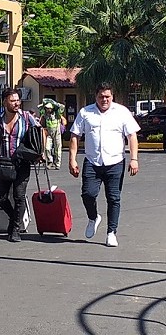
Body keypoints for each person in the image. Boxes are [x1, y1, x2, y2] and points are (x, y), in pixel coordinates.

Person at [68, 82, 140, 247]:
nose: (104, 100)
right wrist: (72, 159)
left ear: (112, 96)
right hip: (92, 162)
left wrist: (134, 159)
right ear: (96, 97)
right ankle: (93, 217)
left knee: (114, 198)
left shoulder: (121, 112)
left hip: (115, 162)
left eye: (107, 96)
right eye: (101, 96)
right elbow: (75, 136)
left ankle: (111, 232)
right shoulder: (86, 112)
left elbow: (132, 136)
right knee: (88, 194)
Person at [0, 88, 41, 242]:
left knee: (19, 197)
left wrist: (39, 152)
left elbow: (40, 132)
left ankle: (16, 230)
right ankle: (14, 219)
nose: (16, 103)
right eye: (13, 100)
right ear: (5, 102)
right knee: (0, 197)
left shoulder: (26, 117)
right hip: (4, 163)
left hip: (22, 163)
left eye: (18, 100)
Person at [41, 101, 67, 170]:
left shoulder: (57, 114)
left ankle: (57, 163)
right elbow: (39, 107)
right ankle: (50, 161)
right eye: (46, 108)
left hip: (57, 133)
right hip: (49, 133)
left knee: (57, 148)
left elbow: (62, 107)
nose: (47, 109)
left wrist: (56, 104)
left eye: (49, 108)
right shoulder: (45, 115)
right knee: (47, 148)